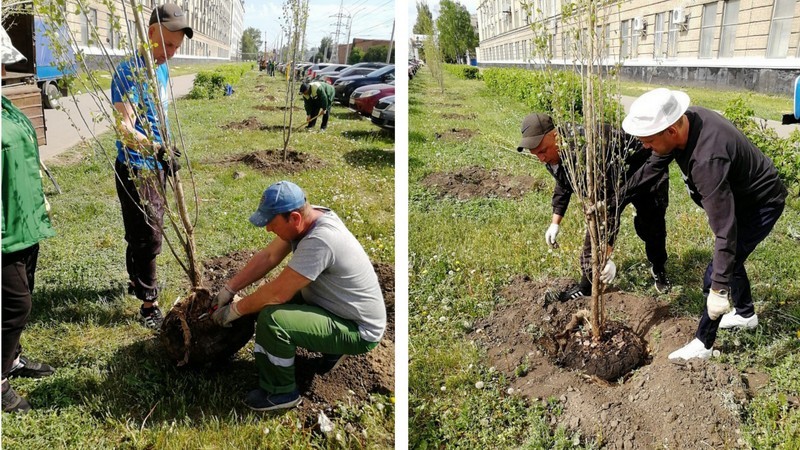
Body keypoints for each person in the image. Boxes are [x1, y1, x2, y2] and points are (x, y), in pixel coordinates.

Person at [621, 88, 787, 361]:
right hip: (740, 199)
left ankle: (703, 343)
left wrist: (719, 289)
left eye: (648, 140)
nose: (645, 146)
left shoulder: (707, 159)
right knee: (732, 259)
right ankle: (746, 314)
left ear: (671, 131)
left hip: (760, 204)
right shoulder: (686, 122)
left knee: (717, 271)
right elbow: (653, 165)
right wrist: (617, 198)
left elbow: (725, 231)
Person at [211, 181, 386, 411]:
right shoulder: (310, 217)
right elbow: (268, 257)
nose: (268, 230)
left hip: (359, 329)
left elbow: (277, 293)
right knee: (265, 304)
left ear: (294, 218)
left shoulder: (321, 240)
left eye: (271, 224)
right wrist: (229, 289)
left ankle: (281, 393)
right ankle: (333, 350)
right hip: (337, 307)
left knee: (273, 320)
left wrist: (232, 312)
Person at [517, 113, 672, 299]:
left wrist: (605, 254)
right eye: (536, 155)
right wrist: (555, 222)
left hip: (643, 170)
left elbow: (607, 211)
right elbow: (565, 183)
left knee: (650, 226)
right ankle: (586, 285)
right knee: (593, 239)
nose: (541, 158)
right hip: (613, 178)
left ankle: (658, 267)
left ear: (556, 135)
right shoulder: (553, 153)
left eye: (543, 151)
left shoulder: (589, 153)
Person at [110, 3, 192, 330]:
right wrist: (156, 149)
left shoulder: (160, 67)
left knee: (143, 231)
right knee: (150, 236)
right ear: (151, 34)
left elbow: (156, 116)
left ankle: (136, 280)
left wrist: (166, 148)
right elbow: (124, 128)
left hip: (155, 162)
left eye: (177, 48)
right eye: (168, 45)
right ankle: (149, 304)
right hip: (136, 167)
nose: (171, 53)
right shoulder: (129, 72)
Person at [2, 26, 57, 413]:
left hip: (24, 221)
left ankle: (12, 358)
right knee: (14, 306)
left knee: (23, 295)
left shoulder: (4, 104)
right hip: (4, 230)